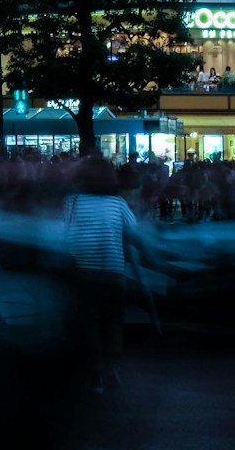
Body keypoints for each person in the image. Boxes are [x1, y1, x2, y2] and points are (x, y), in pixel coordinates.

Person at [63, 157, 143, 393]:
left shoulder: (72, 202)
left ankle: (96, 373)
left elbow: (61, 233)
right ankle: (112, 368)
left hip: (82, 272)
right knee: (113, 323)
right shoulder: (117, 203)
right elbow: (134, 232)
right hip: (113, 272)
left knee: (90, 325)